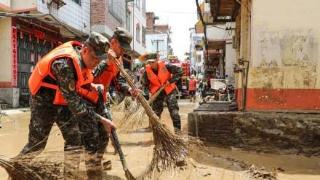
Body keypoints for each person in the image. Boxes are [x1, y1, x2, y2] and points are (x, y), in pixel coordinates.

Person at [17, 32, 115, 179]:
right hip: (44, 101)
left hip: (62, 100)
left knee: (74, 140)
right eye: (95, 58)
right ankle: (14, 170)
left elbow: (77, 85)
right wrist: (101, 119)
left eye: (99, 60)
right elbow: (76, 104)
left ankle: (70, 177)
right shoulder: (64, 65)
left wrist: (93, 86)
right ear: (85, 50)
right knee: (37, 145)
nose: (96, 63)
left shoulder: (84, 60)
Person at [91, 27, 140, 172]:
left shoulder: (119, 59)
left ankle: (96, 163)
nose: (123, 51)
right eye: (122, 47)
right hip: (85, 97)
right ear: (113, 42)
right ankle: (88, 165)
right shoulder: (99, 49)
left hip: (101, 99)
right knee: (87, 136)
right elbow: (88, 73)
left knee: (107, 132)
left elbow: (118, 83)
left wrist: (129, 90)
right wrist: (106, 61)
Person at [139, 53, 183, 133]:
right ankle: (158, 135)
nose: (151, 64)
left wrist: (170, 81)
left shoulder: (166, 66)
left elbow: (179, 71)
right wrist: (146, 96)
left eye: (153, 62)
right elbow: (145, 85)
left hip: (169, 90)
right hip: (157, 92)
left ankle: (178, 133)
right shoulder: (147, 71)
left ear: (157, 60)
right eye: (149, 62)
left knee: (174, 112)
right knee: (155, 114)